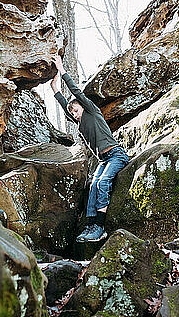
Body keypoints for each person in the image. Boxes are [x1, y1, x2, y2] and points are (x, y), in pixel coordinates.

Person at [50, 54, 130, 242]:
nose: (75, 115)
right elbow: (65, 106)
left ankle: (100, 227)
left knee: (102, 183)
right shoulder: (80, 121)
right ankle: (90, 226)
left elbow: (76, 92)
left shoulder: (91, 111)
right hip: (103, 160)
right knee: (93, 185)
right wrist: (55, 89)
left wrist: (62, 70)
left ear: (83, 107)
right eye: (73, 114)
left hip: (116, 155)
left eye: (76, 111)